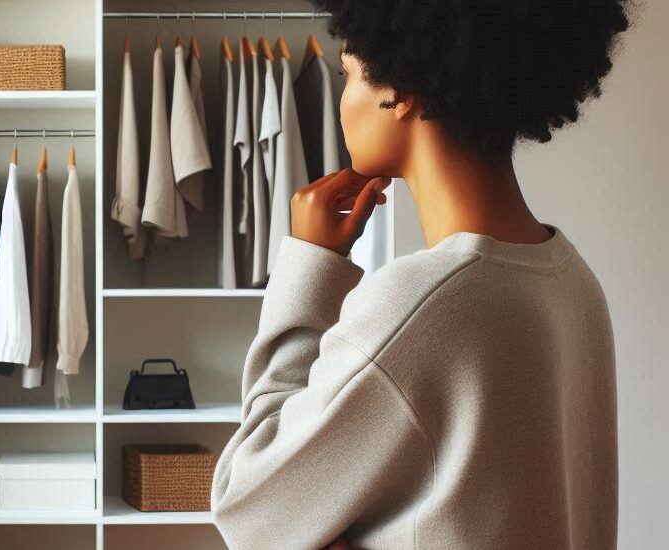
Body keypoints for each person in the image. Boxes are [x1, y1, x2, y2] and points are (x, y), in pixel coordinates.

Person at [211, 1, 631, 549]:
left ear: (400, 88)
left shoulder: (421, 304)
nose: (342, 103)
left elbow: (247, 507)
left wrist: (309, 265)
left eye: (347, 73)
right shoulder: (573, 283)